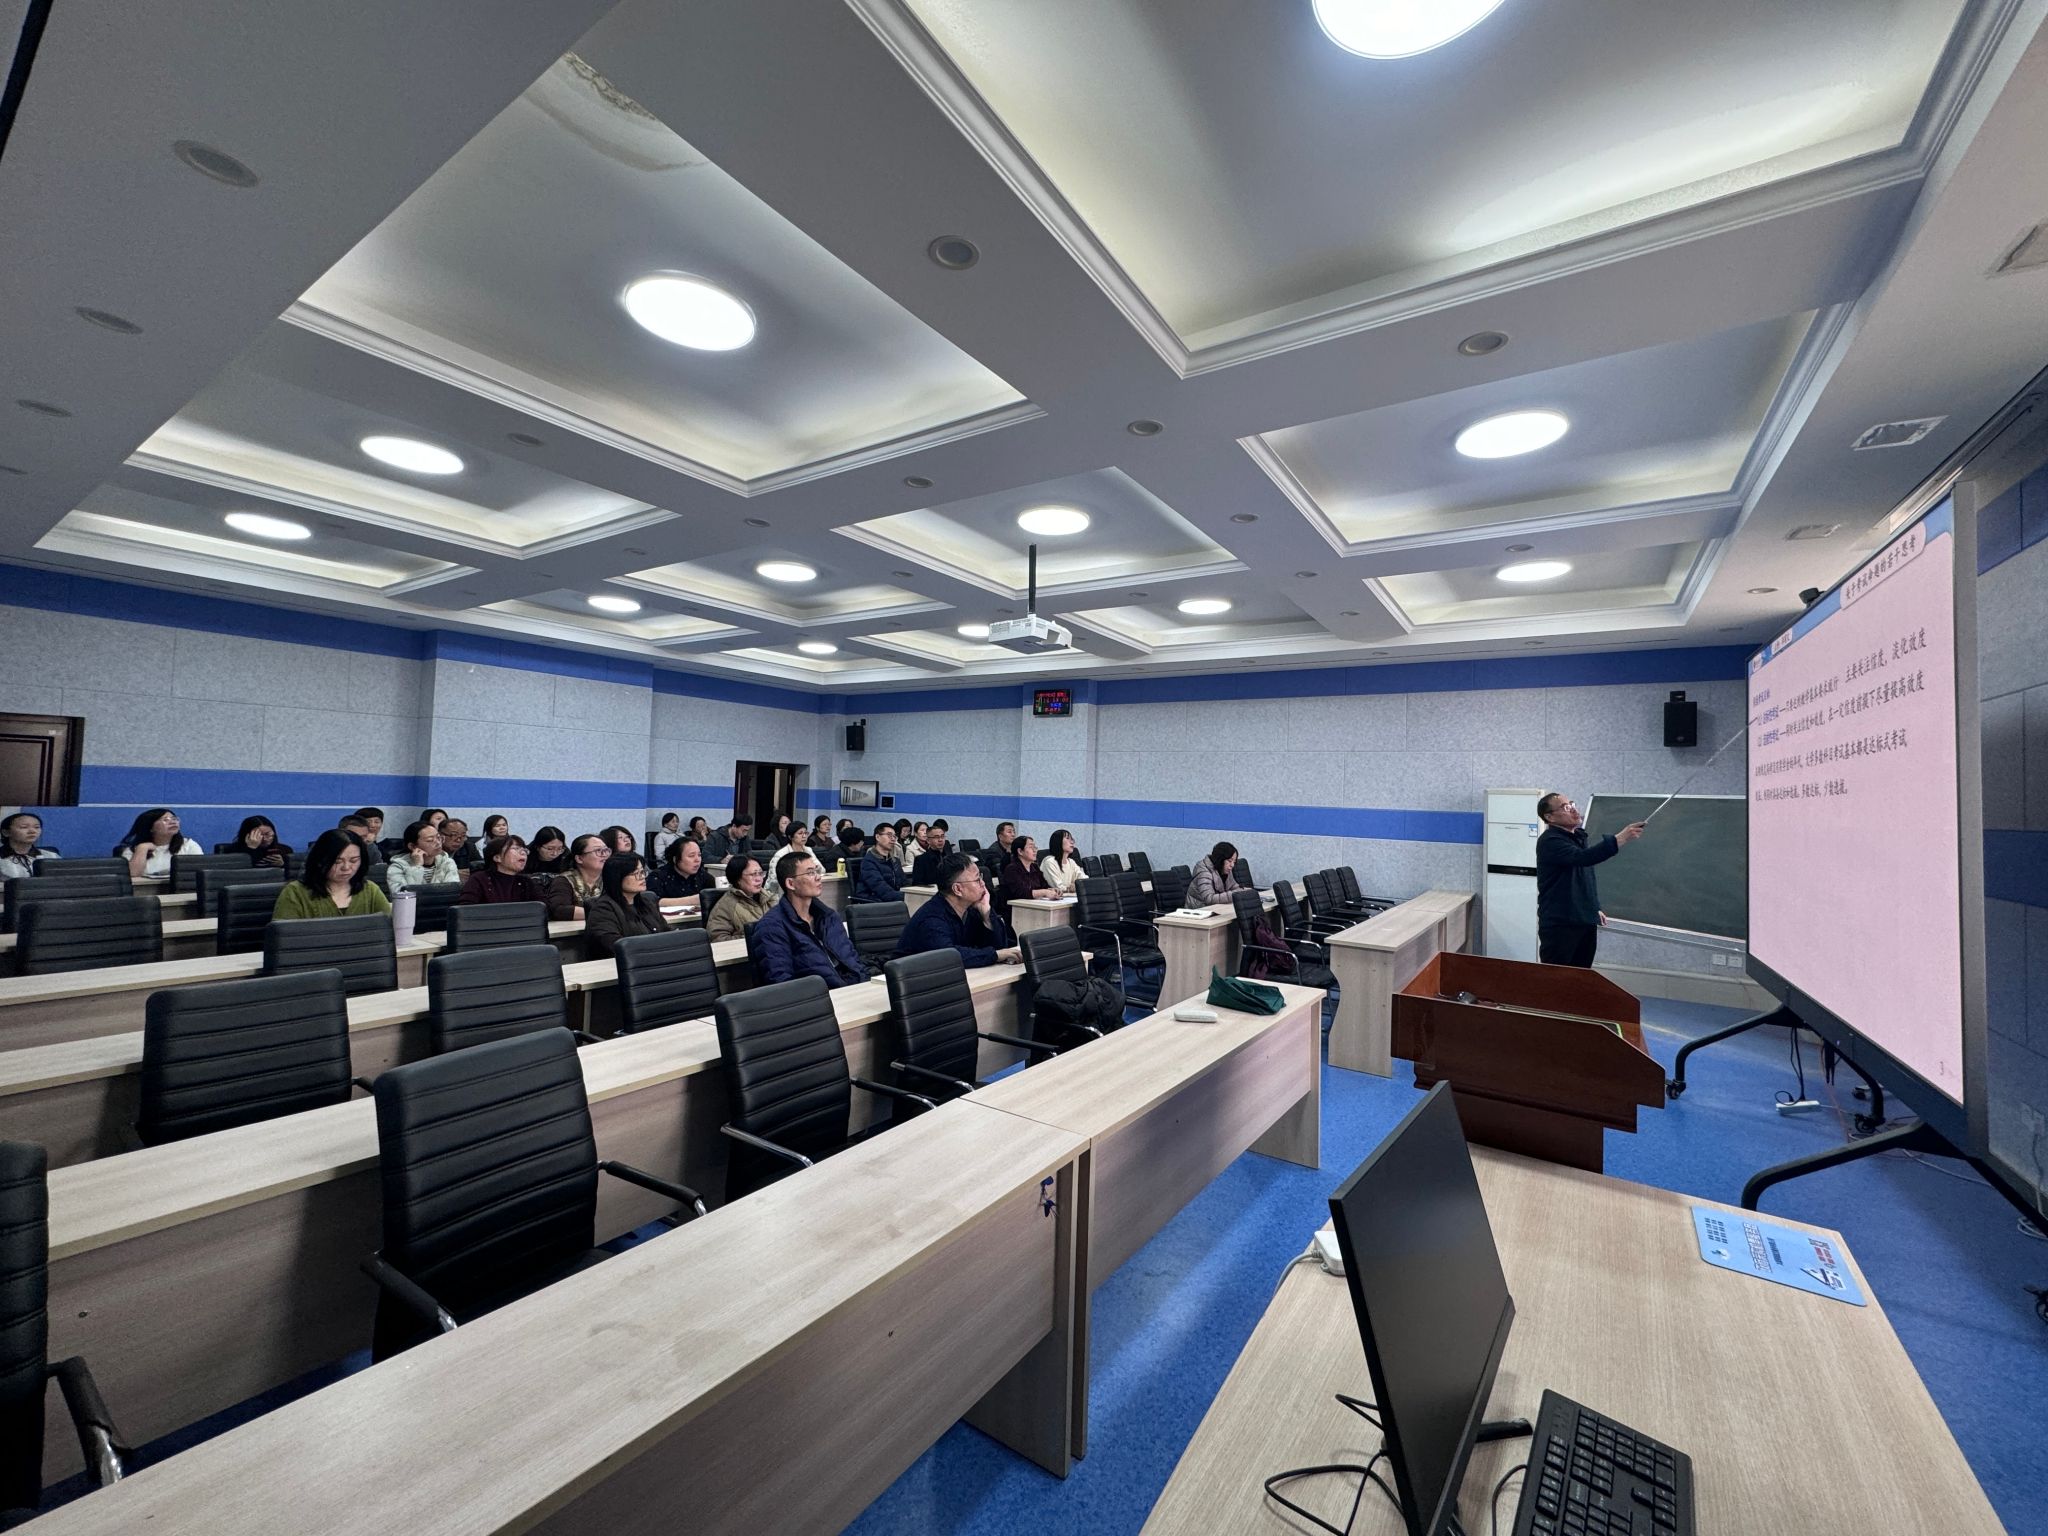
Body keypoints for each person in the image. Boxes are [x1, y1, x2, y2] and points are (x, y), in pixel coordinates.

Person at [1534, 792, 1645, 968]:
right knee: (1557, 978)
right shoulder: (1550, 841)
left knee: (1582, 975)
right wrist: (1621, 837)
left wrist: (1593, 907)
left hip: (1584, 920)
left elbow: (1586, 876)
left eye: (1572, 804)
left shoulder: (1578, 837)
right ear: (1550, 817)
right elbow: (1584, 858)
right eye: (1565, 807)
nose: (1573, 809)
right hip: (1561, 924)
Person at [752, 851, 865, 987]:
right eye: (810, 873)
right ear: (791, 883)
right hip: (818, 995)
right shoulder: (772, 927)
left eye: (817, 871)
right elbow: (781, 982)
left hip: (852, 989)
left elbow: (853, 961)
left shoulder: (829, 916)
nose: (818, 877)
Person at [896, 852, 1020, 967]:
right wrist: (995, 955)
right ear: (958, 889)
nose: (983, 884)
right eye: (977, 879)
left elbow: (1000, 947)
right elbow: (949, 956)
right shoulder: (931, 919)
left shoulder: (971, 908)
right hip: (912, 977)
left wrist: (986, 914)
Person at [272, 829, 392, 920]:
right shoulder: (295, 892)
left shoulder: (370, 890)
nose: (346, 867)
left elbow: (389, 927)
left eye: (354, 861)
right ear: (319, 861)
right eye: (337, 861)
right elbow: (284, 938)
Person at [584, 853, 670, 957]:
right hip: (626, 962)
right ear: (617, 877)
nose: (642, 877)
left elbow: (667, 933)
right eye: (636, 873)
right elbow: (615, 946)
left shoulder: (647, 902)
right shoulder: (603, 909)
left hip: (655, 958)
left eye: (642, 872)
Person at [457, 834, 546, 904]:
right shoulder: (479, 879)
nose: (523, 853)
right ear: (497, 857)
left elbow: (543, 909)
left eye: (525, 850)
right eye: (516, 848)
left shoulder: (526, 882)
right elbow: (466, 909)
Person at [706, 853, 776, 941]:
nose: (759, 879)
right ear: (738, 878)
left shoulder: (770, 898)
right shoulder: (726, 906)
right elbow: (717, 939)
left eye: (760, 873)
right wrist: (750, 937)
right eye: (753, 874)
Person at [118, 808, 203, 879]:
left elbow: (201, 873)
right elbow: (132, 875)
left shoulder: (189, 845)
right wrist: (142, 849)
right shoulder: (132, 850)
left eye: (174, 819)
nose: (173, 822)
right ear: (150, 827)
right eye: (165, 820)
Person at [544, 834, 609, 921]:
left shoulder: (611, 878)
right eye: (598, 850)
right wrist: (603, 913)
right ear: (579, 859)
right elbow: (559, 910)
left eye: (606, 850)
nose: (604, 855)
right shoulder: (564, 881)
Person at [386, 819, 459, 894]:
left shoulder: (447, 862)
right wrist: (417, 867)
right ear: (412, 846)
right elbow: (402, 896)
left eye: (438, 837)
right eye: (430, 840)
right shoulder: (397, 867)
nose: (438, 843)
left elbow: (452, 892)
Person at [648, 835, 715, 907]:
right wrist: (692, 900)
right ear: (675, 859)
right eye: (691, 856)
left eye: (699, 855)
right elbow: (653, 901)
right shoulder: (658, 876)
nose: (697, 860)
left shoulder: (703, 875)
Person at [995, 835, 1054, 916]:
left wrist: (1052, 890)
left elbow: (1044, 885)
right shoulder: (1011, 869)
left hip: (1035, 906)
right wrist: (1044, 892)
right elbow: (1021, 893)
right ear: (1020, 851)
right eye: (1031, 847)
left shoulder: (1034, 867)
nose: (1035, 850)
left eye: (1035, 847)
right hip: (1016, 911)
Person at [853, 822, 907, 903]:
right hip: (874, 902)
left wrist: (913, 894)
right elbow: (881, 889)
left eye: (894, 836)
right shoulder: (869, 862)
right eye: (889, 835)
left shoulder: (895, 861)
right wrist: (907, 897)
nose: (893, 839)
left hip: (894, 900)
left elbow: (904, 883)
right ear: (877, 837)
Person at [0, 812, 57, 880]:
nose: (32, 831)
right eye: (24, 827)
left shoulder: (52, 856)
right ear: (6, 832)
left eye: (37, 827)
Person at [224, 814, 290, 870]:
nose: (264, 839)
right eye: (258, 835)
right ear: (247, 835)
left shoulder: (284, 850)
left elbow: (291, 874)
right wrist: (251, 848)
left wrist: (283, 865)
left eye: (267, 834)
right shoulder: (233, 851)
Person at [1188, 842, 1240, 907]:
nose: (1232, 865)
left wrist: (1244, 891)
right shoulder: (1203, 871)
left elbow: (1234, 887)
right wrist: (1235, 894)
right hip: (1199, 909)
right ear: (1220, 859)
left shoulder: (1225, 869)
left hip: (1217, 908)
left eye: (1234, 862)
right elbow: (1209, 899)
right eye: (1229, 861)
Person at [1038, 829, 1085, 896]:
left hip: (1069, 898)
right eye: (1067, 838)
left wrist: (1076, 886)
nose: (1072, 842)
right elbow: (1058, 887)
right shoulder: (1050, 862)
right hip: (1052, 899)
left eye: (1072, 839)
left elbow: (1084, 880)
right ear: (1058, 842)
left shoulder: (1071, 862)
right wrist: (1070, 888)